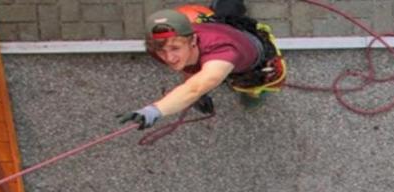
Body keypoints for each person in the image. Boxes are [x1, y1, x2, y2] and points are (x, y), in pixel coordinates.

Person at [119, 3, 287, 130]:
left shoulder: (222, 52)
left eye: (175, 48)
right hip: (225, 29)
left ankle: (253, 98)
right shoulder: (162, 47)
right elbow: (191, 72)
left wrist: (154, 111)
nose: (169, 58)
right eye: (161, 50)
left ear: (192, 40)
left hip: (256, 65)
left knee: (254, 90)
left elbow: (196, 87)